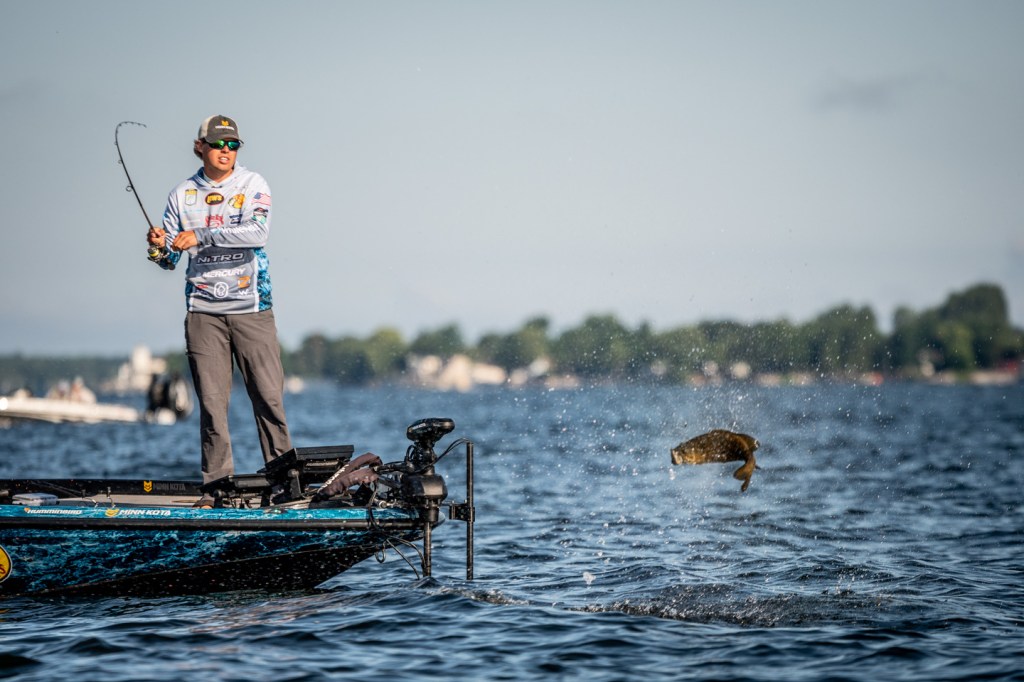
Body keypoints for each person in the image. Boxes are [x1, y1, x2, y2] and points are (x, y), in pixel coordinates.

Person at [146, 114, 292, 490]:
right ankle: (217, 488)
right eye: (217, 144)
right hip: (203, 312)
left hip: (252, 308)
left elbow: (258, 233)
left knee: (269, 400)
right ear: (200, 147)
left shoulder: (253, 183)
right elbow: (169, 260)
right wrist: (158, 247)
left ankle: (284, 484)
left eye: (233, 145)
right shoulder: (181, 195)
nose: (226, 151)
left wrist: (201, 235)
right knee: (212, 408)